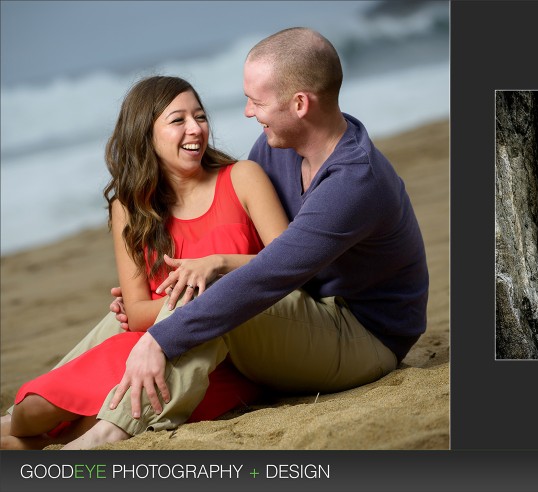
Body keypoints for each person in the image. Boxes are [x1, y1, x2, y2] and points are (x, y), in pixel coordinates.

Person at [63, 27, 429, 449]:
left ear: (299, 104)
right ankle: (32, 409)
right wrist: (145, 307)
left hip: (364, 338)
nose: (248, 113)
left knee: (210, 295)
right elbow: (253, 243)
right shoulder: (278, 146)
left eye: (257, 101)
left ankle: (109, 431)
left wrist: (159, 337)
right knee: (164, 302)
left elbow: (270, 274)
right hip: (307, 310)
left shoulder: (354, 180)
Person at [1, 76, 289, 449]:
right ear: (145, 134)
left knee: (71, 419)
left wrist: (214, 269)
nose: (195, 129)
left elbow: (289, 263)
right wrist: (167, 307)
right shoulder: (129, 207)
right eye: (177, 120)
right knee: (31, 412)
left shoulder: (242, 178)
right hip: (153, 343)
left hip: (233, 353)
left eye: (199, 117)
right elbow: (135, 313)